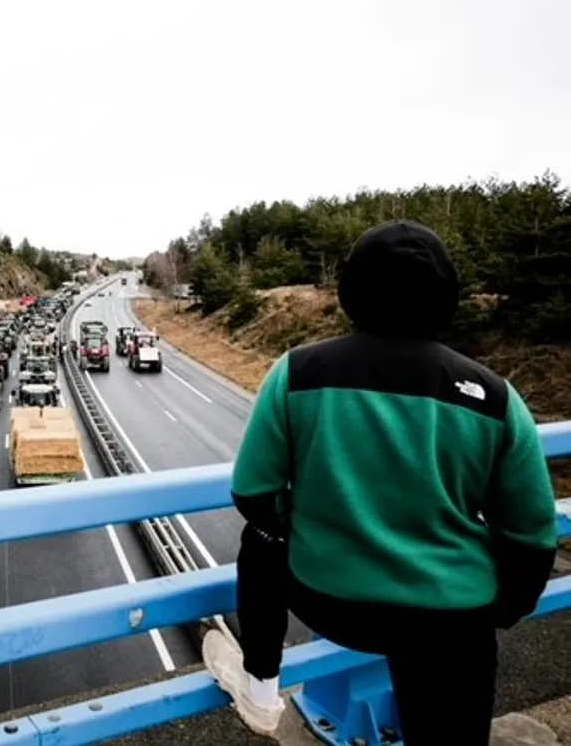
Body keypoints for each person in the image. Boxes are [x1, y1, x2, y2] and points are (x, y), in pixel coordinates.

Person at [202, 221, 556, 744]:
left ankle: (260, 683)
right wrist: (504, 608)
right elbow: (532, 534)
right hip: (453, 620)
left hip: (331, 602)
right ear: (447, 298)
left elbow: (253, 494)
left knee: (261, 540)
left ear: (351, 292)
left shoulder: (298, 371)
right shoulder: (495, 397)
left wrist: (316, 522)